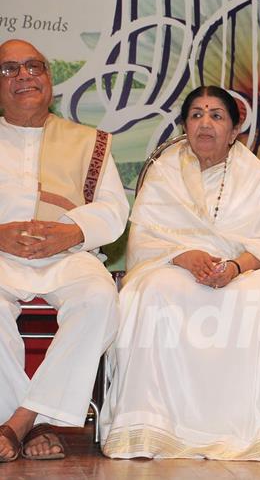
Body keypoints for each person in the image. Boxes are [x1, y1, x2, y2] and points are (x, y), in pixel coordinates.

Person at [100, 86, 260, 460]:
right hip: (173, 266)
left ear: (234, 129)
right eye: (196, 115)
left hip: (239, 271)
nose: (205, 123)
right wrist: (183, 255)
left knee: (258, 297)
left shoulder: (254, 175)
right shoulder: (164, 170)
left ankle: (251, 427)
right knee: (151, 293)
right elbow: (144, 238)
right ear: (184, 125)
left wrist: (236, 268)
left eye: (216, 116)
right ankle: (151, 424)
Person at [0, 39, 129, 462]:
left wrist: (72, 232)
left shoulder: (87, 141)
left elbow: (113, 210)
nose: (23, 76)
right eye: (9, 69)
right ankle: (35, 423)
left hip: (67, 257)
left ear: (49, 79)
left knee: (99, 298)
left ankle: (18, 422)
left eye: (33, 67)